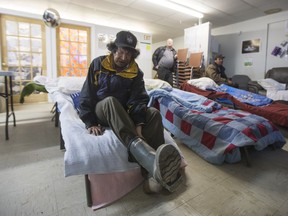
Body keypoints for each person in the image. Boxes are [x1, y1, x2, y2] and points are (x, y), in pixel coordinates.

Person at [78, 31, 183, 193]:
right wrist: (90, 121)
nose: (124, 57)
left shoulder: (135, 72)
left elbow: (138, 99)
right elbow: (87, 94)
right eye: (120, 51)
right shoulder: (98, 64)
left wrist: (138, 124)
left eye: (128, 53)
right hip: (103, 111)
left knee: (153, 113)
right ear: (113, 49)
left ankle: (157, 169)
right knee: (110, 101)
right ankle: (146, 157)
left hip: (124, 114)